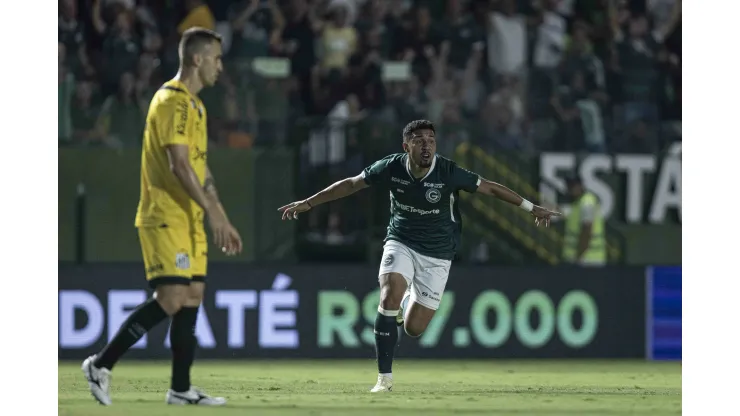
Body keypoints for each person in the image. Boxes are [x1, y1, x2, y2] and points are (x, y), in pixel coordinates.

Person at [277, 119, 560, 393]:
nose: (427, 145)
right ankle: (384, 379)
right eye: (419, 140)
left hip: (438, 254)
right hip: (400, 241)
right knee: (388, 296)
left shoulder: (448, 172)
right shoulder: (390, 167)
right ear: (406, 146)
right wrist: (309, 203)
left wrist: (531, 207)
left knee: (413, 329)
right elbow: (352, 183)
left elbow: (490, 187)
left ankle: (409, 299)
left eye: (431, 140)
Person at [81, 27, 243, 407]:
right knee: (170, 297)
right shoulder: (172, 100)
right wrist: (212, 212)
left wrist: (217, 213)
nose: (221, 66)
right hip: (164, 215)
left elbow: (201, 169)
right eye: (217, 58)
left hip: (191, 220)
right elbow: (179, 165)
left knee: (192, 296)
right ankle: (100, 364)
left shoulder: (198, 107)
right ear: (198, 59)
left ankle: (181, 389)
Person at [562, 174, 606, 266]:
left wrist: (579, 256)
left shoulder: (587, 203)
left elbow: (587, 230)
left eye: (573, 186)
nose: (571, 189)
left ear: (581, 186)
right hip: (581, 259)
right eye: (569, 186)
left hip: (588, 260)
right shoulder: (577, 202)